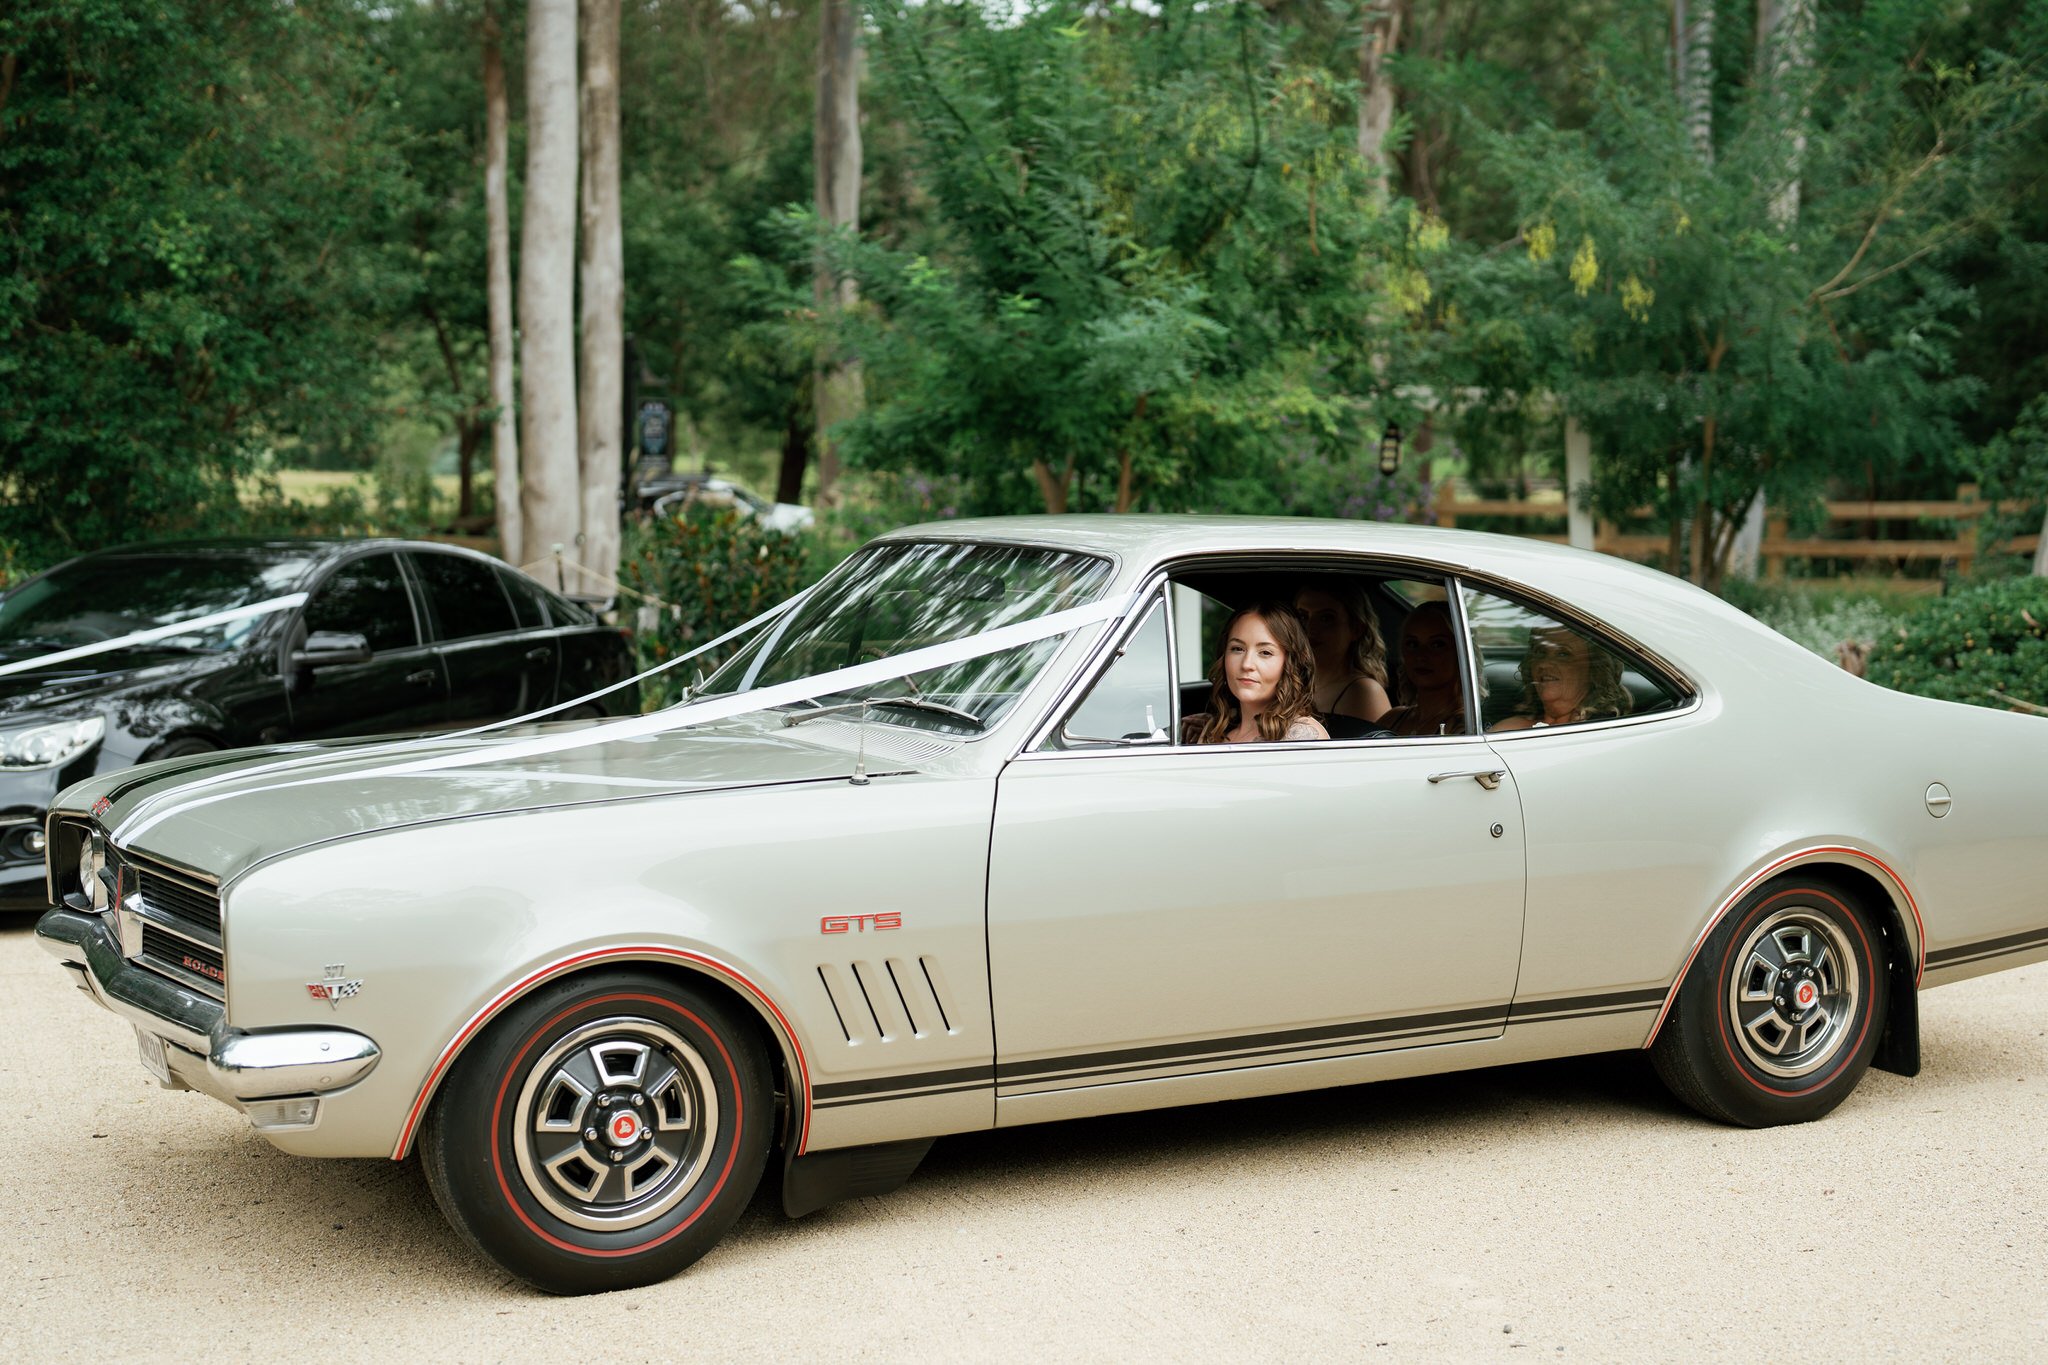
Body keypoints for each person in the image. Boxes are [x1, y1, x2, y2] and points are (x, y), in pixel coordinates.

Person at [1183, 603, 1330, 744]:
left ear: (1290, 663)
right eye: (1237, 649)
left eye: (1265, 652)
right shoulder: (1213, 730)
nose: (1246, 664)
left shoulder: (1302, 735)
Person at [1489, 624, 1631, 731]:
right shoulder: (1512, 727)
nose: (1544, 664)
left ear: (1594, 671)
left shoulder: (1601, 732)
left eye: (1563, 654)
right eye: (1541, 652)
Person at [1293, 580, 1392, 725]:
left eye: (1326, 618)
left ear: (1356, 629)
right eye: (1303, 616)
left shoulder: (1364, 691)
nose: (1310, 628)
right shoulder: (1291, 683)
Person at [1377, 599, 1469, 737]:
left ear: (1461, 652)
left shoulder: (1465, 727)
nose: (1421, 656)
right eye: (1412, 644)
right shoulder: (1392, 718)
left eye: (1437, 644)